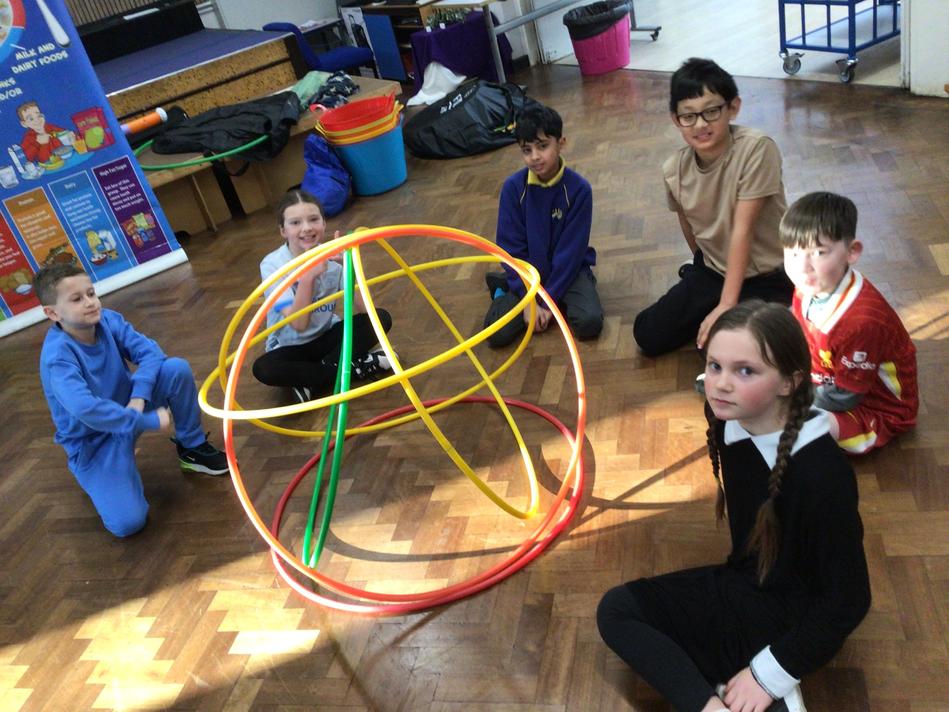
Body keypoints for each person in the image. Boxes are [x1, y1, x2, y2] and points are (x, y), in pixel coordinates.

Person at [598, 301, 871, 712]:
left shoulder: (822, 475)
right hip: (745, 581)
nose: (721, 384)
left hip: (799, 614)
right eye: (714, 366)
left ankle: (763, 678)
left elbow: (849, 600)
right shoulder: (728, 417)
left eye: (745, 371)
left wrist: (771, 673)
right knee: (617, 609)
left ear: (790, 382)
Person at [36, 264, 229, 538]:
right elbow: (87, 410)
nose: (90, 303)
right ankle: (97, 474)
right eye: (77, 299)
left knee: (175, 369)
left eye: (91, 293)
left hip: (129, 409)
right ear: (53, 313)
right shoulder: (58, 358)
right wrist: (146, 420)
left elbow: (151, 353)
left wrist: (139, 397)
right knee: (128, 524)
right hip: (95, 441)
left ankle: (192, 447)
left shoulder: (108, 320)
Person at [633, 58, 793, 358]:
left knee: (725, 347)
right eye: (688, 116)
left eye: (711, 111)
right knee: (647, 333)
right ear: (675, 119)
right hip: (714, 272)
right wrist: (701, 273)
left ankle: (757, 312)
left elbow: (743, 230)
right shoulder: (674, 169)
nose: (700, 124)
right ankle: (724, 309)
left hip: (767, 275)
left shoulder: (757, 149)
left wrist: (726, 303)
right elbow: (690, 228)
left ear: (733, 108)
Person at [781, 191, 918, 454]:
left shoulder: (861, 322)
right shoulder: (810, 285)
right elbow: (796, 330)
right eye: (793, 254)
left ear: (852, 252)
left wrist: (788, 394)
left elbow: (845, 396)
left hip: (873, 408)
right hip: (823, 376)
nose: (803, 267)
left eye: (818, 252)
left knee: (796, 425)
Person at [252, 189, 393, 402]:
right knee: (264, 369)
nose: (307, 228)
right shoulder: (272, 265)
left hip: (327, 338)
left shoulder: (334, 258)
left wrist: (349, 269)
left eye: (313, 219)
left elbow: (367, 313)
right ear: (283, 231)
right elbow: (298, 323)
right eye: (295, 223)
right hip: (291, 347)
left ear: (324, 224)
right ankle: (357, 367)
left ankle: (313, 379)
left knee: (381, 318)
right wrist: (307, 278)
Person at [483, 104, 603, 348]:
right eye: (526, 150)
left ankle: (568, 291)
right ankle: (502, 288)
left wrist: (547, 304)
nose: (535, 156)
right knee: (496, 334)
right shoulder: (513, 189)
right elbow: (511, 250)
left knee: (589, 322)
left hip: (568, 272)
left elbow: (570, 254)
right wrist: (529, 301)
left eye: (543, 146)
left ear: (561, 143)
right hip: (528, 274)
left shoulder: (579, 190)